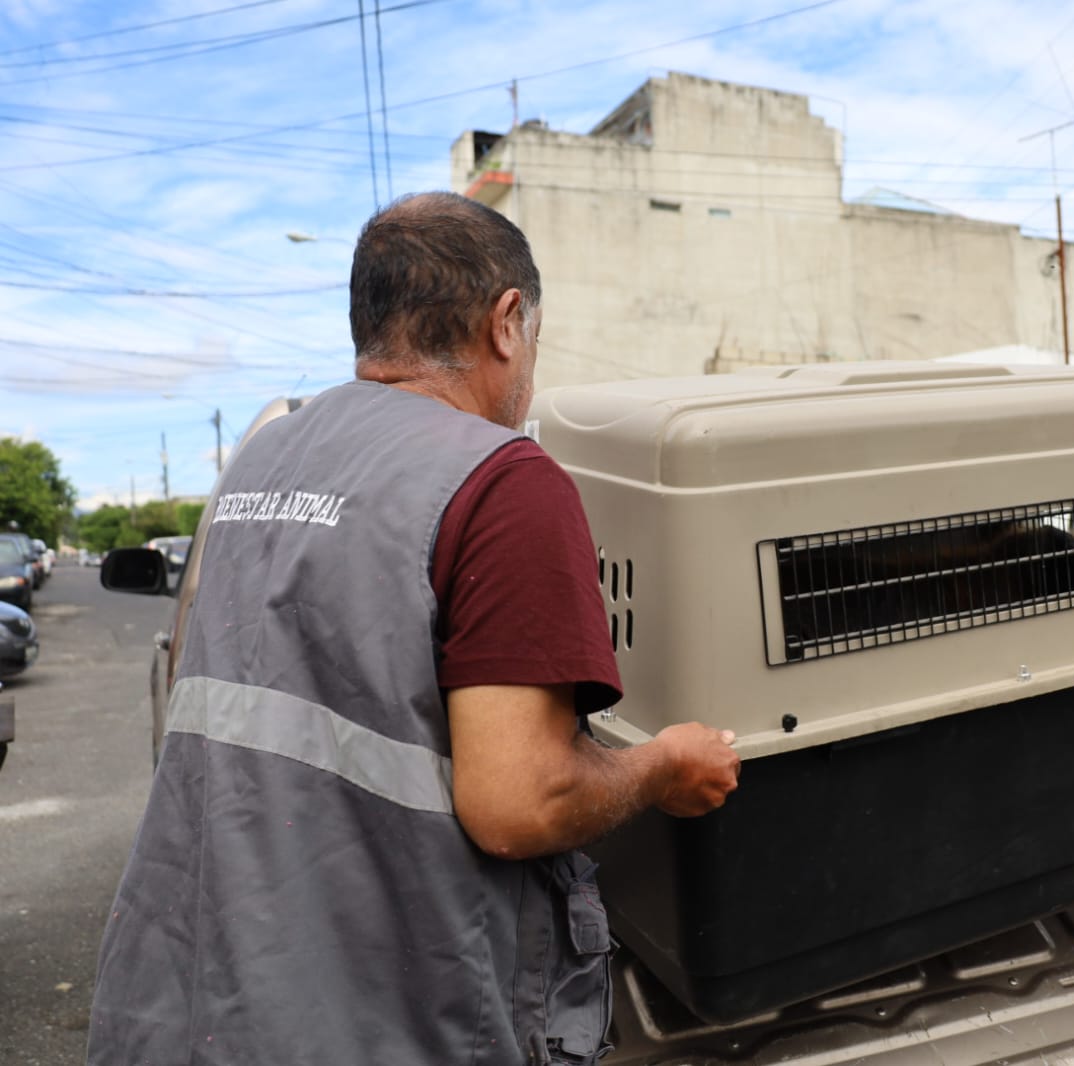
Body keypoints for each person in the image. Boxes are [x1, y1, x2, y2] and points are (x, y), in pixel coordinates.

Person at [87, 191, 742, 1065]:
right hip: (388, 1015)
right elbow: (520, 803)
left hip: (191, 995)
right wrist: (663, 765)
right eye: (533, 341)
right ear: (506, 322)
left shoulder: (263, 458)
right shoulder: (502, 478)